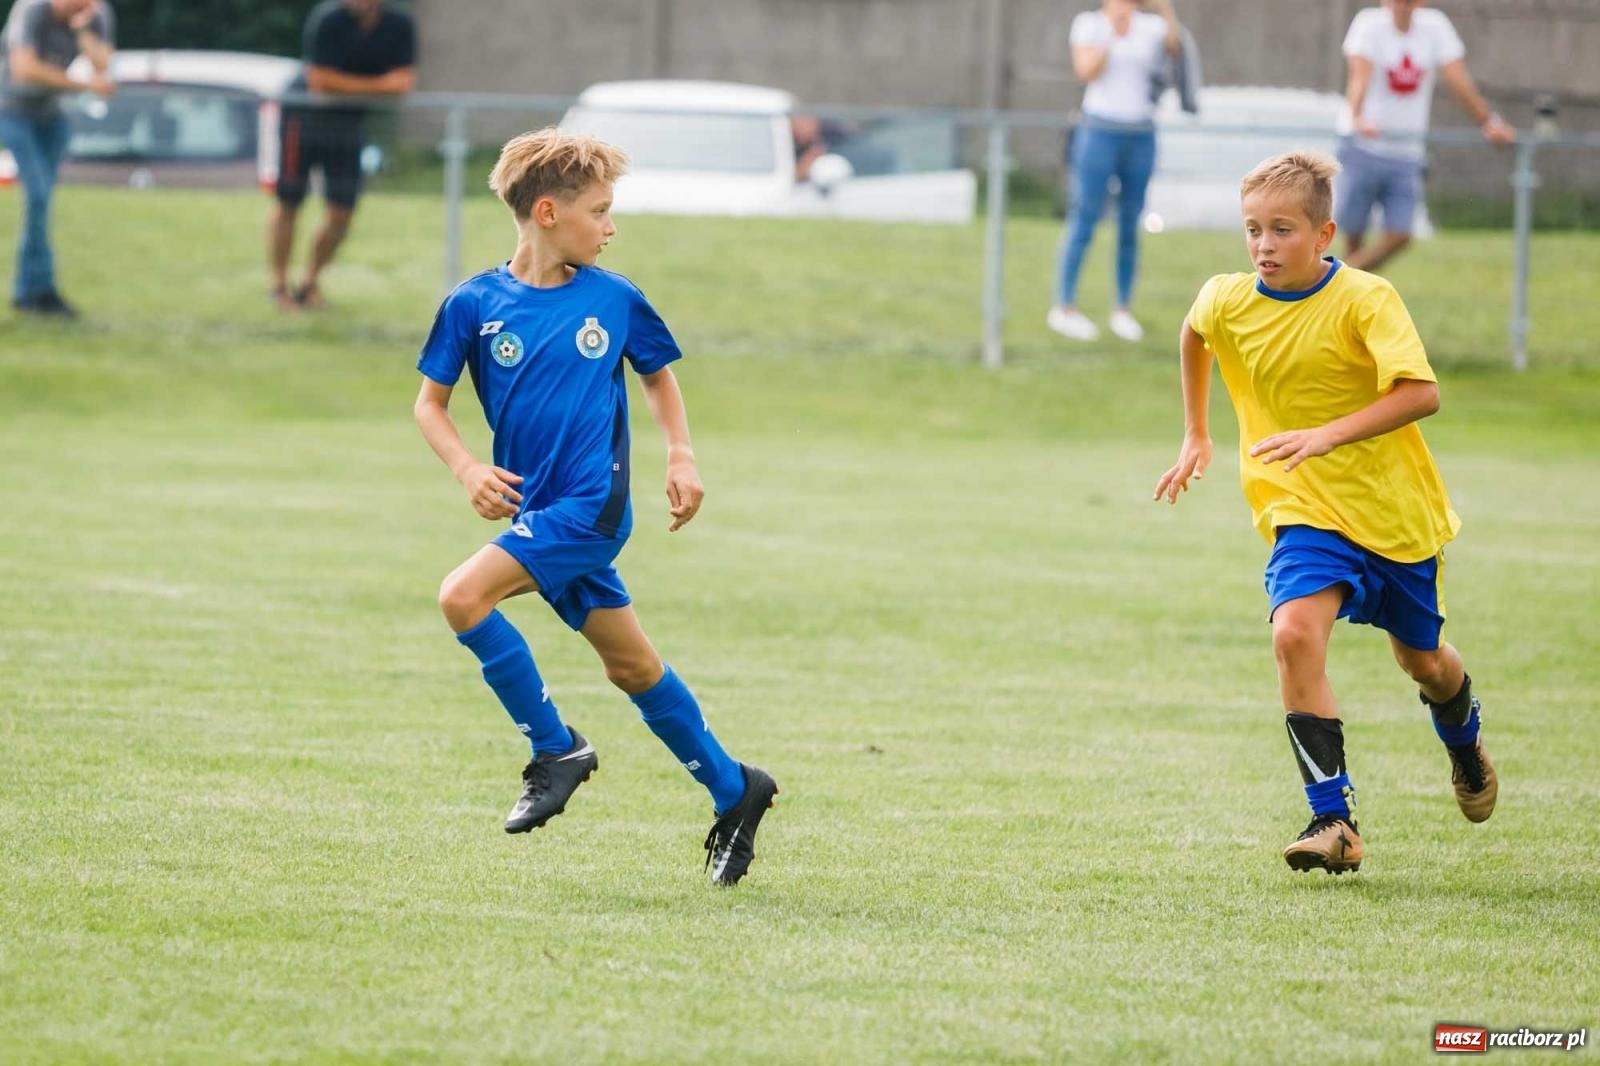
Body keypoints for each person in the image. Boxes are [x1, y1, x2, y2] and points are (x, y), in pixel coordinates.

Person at [413, 128, 780, 886]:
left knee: (462, 597)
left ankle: (556, 749)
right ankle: (735, 787)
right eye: (601, 212)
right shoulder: (473, 304)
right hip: (535, 511)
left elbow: (657, 374)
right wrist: (466, 469)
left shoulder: (614, 299)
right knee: (631, 665)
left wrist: (681, 454)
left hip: (588, 509)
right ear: (548, 213)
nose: (611, 228)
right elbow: (429, 405)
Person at [1153, 151, 1497, 875]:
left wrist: (1327, 434)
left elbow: (1421, 393)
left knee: (1424, 662)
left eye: (1282, 230)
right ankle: (1333, 819)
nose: (1263, 246)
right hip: (1302, 507)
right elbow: (1194, 332)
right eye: (1253, 230)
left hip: (1393, 515)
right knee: (1292, 634)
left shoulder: (1367, 300)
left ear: (1324, 233)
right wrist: (1196, 431)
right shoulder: (1228, 298)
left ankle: (1463, 740)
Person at [1337, 0, 1514, 273]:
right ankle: (1346, 297)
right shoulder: (1368, 23)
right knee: (1354, 235)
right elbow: (1359, 77)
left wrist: (1488, 122)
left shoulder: (1436, 27)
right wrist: (1357, 116)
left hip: (1407, 153)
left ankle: (1333, 283)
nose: (1403, 6)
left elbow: (1460, 83)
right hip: (1363, 147)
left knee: (1401, 235)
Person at [1047, 0, 1181, 345]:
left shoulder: (1150, 27)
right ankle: (1065, 306)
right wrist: (1112, 33)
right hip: (1099, 130)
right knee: (1085, 216)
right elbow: (1086, 71)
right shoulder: (1089, 24)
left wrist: (1165, 10)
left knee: (1129, 223)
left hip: (1140, 132)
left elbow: (1176, 52)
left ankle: (1122, 308)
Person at [269, 0, 415, 310]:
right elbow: (320, 82)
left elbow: (403, 83)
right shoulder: (328, 19)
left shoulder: (400, 25)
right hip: (302, 119)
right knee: (289, 202)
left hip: (348, 125)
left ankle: (309, 283)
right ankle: (279, 286)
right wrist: (378, 85)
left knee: (342, 213)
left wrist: (346, 86)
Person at [0, 0, 113, 318]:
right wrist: (85, 85)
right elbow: (24, 70)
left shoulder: (95, 15)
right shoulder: (32, 10)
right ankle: (35, 290)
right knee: (37, 195)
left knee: (42, 200)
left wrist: (83, 32)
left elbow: (103, 64)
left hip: (53, 117)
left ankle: (32, 289)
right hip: (13, 112)